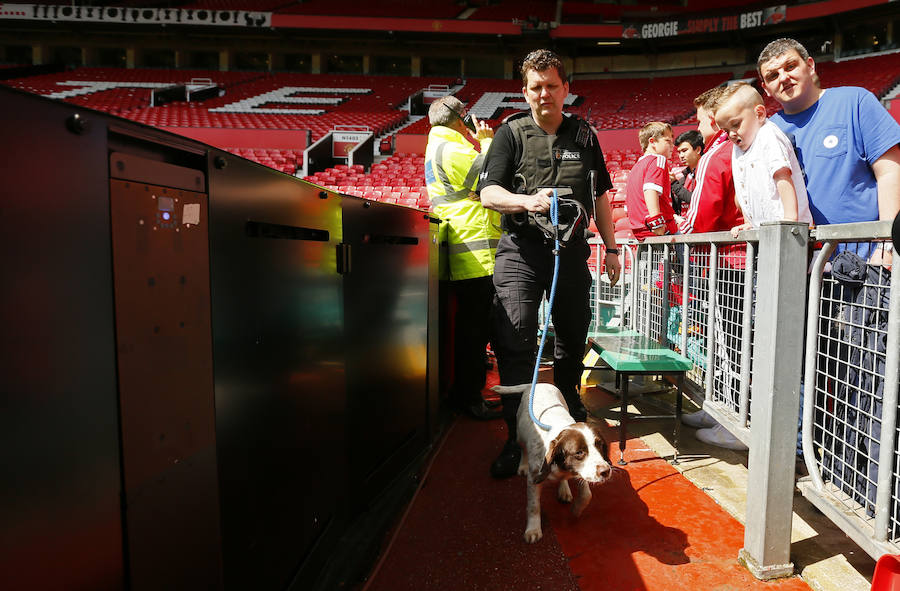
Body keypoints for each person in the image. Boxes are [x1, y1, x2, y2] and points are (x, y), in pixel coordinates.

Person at [477, 49, 621, 478]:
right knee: (515, 341)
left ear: (566, 89)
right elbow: (488, 193)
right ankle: (516, 440)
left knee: (573, 338)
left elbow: (601, 197)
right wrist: (527, 201)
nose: (544, 94)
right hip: (521, 253)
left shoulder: (585, 136)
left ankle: (570, 413)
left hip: (571, 255)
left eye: (551, 86)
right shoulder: (510, 133)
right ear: (525, 92)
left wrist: (612, 248)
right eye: (536, 87)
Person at [757, 37, 900, 261]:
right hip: (797, 264)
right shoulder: (767, 132)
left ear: (810, 66)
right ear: (765, 88)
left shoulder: (855, 101)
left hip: (866, 259)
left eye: (790, 66)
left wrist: (887, 244)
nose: (783, 77)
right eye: (773, 76)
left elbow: (890, 171)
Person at [677, 86, 749, 451]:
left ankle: (734, 421)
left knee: (730, 344)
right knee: (728, 343)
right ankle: (721, 410)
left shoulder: (718, 152)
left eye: (701, 120)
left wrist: (680, 236)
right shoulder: (736, 148)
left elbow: (702, 214)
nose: (700, 127)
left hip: (728, 261)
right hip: (737, 258)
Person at [425, 95, 502, 420]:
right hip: (475, 252)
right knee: (474, 333)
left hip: (467, 249)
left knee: (471, 330)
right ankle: (470, 398)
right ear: (461, 119)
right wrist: (487, 142)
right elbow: (490, 177)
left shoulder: (440, 145)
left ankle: (466, 394)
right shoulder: (451, 148)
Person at [713, 81, 812, 235]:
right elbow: (742, 189)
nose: (731, 134)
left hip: (791, 232)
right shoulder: (738, 146)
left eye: (736, 124)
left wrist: (790, 220)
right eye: (726, 131)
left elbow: (783, 177)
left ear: (759, 114)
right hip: (765, 231)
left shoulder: (768, 135)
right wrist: (748, 222)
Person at [625, 121, 679, 240]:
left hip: (640, 230)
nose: (673, 145)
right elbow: (650, 190)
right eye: (668, 141)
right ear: (652, 142)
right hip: (659, 230)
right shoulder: (658, 159)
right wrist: (656, 222)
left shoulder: (636, 166)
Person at [670, 129, 704, 215]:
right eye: (679, 152)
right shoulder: (684, 176)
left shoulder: (706, 172)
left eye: (684, 150)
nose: (681, 155)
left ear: (698, 150)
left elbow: (698, 200)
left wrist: (674, 184)